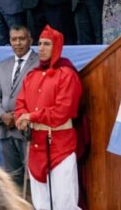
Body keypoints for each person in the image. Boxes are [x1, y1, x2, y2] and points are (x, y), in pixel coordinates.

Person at [15, 26, 81, 210]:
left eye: (47, 44)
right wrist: (21, 117)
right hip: (36, 146)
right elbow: (20, 103)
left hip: (60, 146)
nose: (41, 48)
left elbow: (62, 111)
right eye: (40, 44)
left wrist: (31, 116)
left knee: (64, 203)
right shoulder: (31, 76)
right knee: (40, 204)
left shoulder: (67, 74)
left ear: (57, 46)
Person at [0, 25, 39, 187]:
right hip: (6, 130)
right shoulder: (3, 66)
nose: (17, 43)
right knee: (12, 182)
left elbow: (42, 97)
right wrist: (2, 116)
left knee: (34, 181)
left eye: (22, 39)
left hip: (29, 131)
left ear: (30, 40)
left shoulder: (40, 64)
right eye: (14, 39)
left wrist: (18, 117)